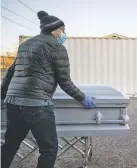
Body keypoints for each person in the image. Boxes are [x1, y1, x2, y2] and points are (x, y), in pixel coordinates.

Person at [1, 11, 96, 168]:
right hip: (37, 105)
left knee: (10, 145)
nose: (64, 33)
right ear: (54, 30)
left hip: (13, 103)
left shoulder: (25, 45)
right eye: (62, 29)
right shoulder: (57, 48)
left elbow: (10, 73)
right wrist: (82, 97)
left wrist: (2, 95)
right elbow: (65, 81)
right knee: (49, 149)